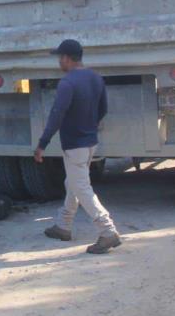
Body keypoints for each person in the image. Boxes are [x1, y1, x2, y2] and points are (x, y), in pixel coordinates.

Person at [34, 39, 121, 254]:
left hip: (74, 145)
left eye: (59, 58)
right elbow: (103, 109)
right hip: (90, 142)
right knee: (73, 183)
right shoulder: (95, 78)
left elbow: (56, 116)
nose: (58, 62)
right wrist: (90, 125)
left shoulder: (67, 83)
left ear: (66, 58)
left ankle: (107, 231)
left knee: (81, 187)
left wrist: (42, 144)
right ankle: (63, 226)